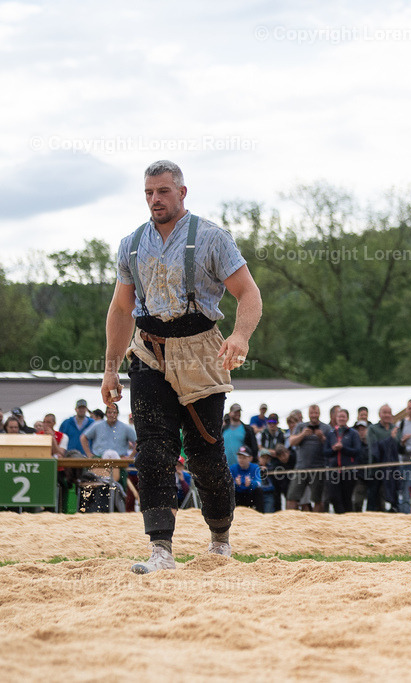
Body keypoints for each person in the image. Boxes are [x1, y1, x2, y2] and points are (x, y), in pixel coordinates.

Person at [102, 160, 262, 573]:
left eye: (163, 192)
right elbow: (121, 309)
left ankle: (220, 539)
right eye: (149, 193)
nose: (155, 200)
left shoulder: (212, 237)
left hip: (199, 351)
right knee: (153, 449)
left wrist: (240, 336)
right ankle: (161, 550)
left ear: (182, 192)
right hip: (149, 351)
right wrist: (110, 369)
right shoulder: (131, 244)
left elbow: (248, 293)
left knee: (205, 453)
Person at [287, 405, 328, 512]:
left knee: (318, 500)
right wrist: (303, 434)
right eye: (312, 413)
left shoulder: (326, 428)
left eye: (316, 413)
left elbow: (330, 447)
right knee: (292, 497)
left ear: (319, 414)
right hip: (301, 467)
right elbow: (291, 442)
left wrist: (322, 437)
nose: (314, 416)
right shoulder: (301, 426)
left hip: (318, 468)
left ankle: (317, 523)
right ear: (308, 414)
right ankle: (288, 521)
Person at [324, 407, 362, 513]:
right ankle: (339, 517)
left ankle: (348, 521)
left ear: (347, 418)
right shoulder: (331, 433)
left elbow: (357, 451)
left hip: (348, 471)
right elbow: (325, 452)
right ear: (336, 418)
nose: (341, 418)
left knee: (347, 498)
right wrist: (333, 449)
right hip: (334, 470)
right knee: (334, 497)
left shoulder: (353, 433)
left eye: (343, 416)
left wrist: (343, 448)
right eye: (339, 416)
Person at [230, 446, 261, 511]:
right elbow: (228, 484)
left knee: (259, 491)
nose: (241, 460)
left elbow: (259, 483)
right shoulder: (232, 468)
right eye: (239, 457)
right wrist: (235, 483)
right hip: (237, 495)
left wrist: (251, 483)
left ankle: (260, 513)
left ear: (250, 458)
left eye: (244, 458)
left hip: (249, 495)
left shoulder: (255, 467)